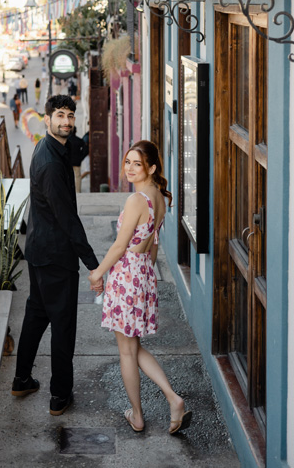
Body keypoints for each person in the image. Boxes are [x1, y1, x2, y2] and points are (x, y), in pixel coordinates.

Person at [89, 140, 192, 434]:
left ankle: (137, 415)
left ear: (152, 168)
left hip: (127, 275)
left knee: (126, 352)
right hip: (143, 272)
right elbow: (153, 246)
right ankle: (173, 399)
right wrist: (144, 278)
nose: (130, 169)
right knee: (134, 346)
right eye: (128, 162)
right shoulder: (158, 197)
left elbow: (120, 246)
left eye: (138, 164)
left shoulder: (137, 200)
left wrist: (98, 274)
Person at [11, 95, 101, 416]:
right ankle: (59, 396)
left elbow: (75, 149)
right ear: (47, 119)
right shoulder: (50, 162)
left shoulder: (49, 147)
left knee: (36, 315)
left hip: (39, 250)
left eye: (70, 115)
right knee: (63, 326)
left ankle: (21, 379)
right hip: (55, 257)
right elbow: (67, 219)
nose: (66, 121)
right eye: (60, 115)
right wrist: (93, 263)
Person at [68, 127, 89, 193]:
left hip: (68, 161)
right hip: (77, 161)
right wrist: (81, 157)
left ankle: (69, 191)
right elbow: (86, 149)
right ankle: (78, 191)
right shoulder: (79, 140)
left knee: (68, 176)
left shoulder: (66, 141)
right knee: (77, 176)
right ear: (76, 131)